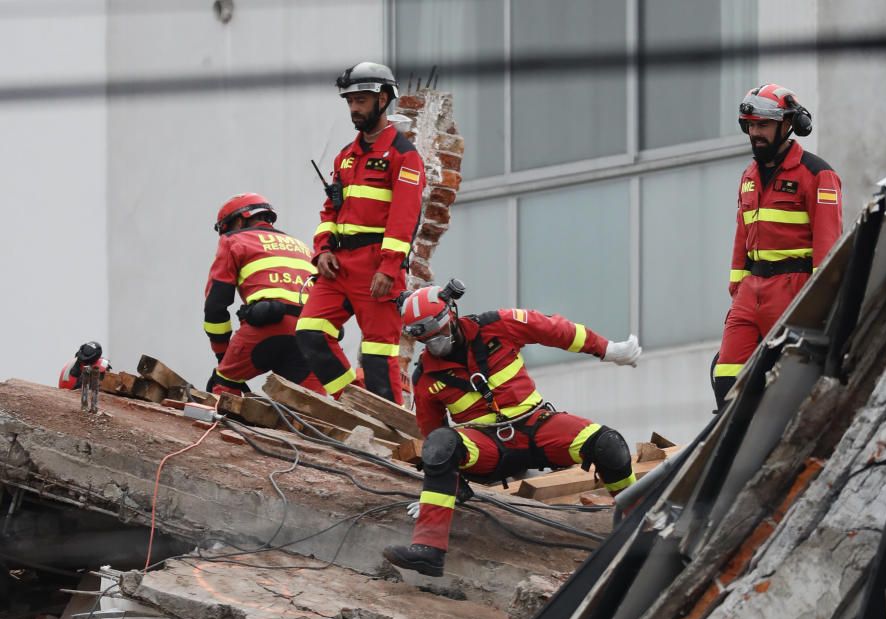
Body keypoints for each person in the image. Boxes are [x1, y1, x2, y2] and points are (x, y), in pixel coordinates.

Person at [382, 281, 642, 577]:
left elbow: (554, 329)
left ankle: (637, 523)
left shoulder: (497, 325)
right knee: (441, 443)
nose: (436, 343)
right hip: (487, 448)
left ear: (451, 315)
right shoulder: (426, 376)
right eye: (427, 339)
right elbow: (433, 433)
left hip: (537, 428)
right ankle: (428, 550)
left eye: (440, 332)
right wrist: (442, 489)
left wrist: (607, 349)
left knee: (608, 444)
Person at [295, 61, 425, 404]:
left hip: (377, 267)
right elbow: (331, 211)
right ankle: (353, 401)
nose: (353, 108)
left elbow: (405, 216)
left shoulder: (404, 155)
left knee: (378, 356)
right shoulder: (345, 157)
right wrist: (321, 250)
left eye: (361, 100)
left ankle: (393, 436)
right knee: (309, 332)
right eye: (350, 101)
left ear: (383, 99)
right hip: (337, 265)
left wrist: (389, 266)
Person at [712, 84, 843, 409]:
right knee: (726, 374)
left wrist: (817, 301)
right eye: (751, 126)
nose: (755, 133)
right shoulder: (749, 176)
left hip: (794, 288)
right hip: (750, 291)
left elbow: (827, 247)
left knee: (788, 382)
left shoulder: (818, 174)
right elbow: (742, 235)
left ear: (787, 125)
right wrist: (738, 287)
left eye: (763, 125)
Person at [203, 193, 324, 395]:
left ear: (240, 220)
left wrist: (223, 356)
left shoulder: (233, 240)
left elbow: (215, 307)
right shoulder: (302, 247)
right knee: (310, 407)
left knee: (223, 386)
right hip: (310, 335)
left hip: (267, 326)